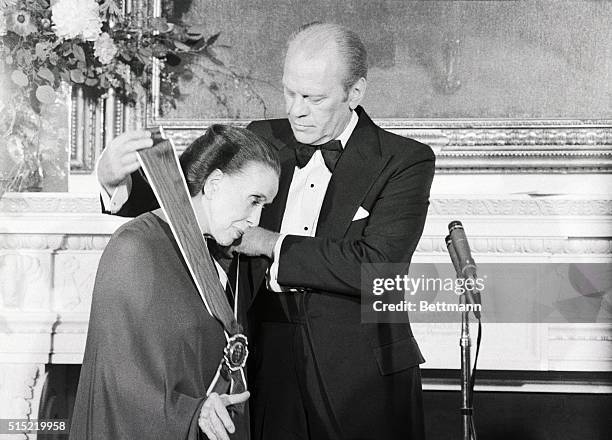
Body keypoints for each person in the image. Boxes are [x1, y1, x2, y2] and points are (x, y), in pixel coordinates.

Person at [97, 23, 435, 440]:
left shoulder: (404, 160)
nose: (296, 110)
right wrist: (114, 179)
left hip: (362, 373)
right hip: (262, 359)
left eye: (313, 98)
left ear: (355, 93)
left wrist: (269, 243)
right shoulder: (259, 137)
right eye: (290, 93)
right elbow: (186, 197)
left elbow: (379, 266)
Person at [71, 125, 280, 440]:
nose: (256, 220)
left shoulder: (224, 255)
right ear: (214, 183)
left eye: (264, 206)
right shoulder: (135, 247)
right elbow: (119, 383)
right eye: (254, 201)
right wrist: (193, 413)